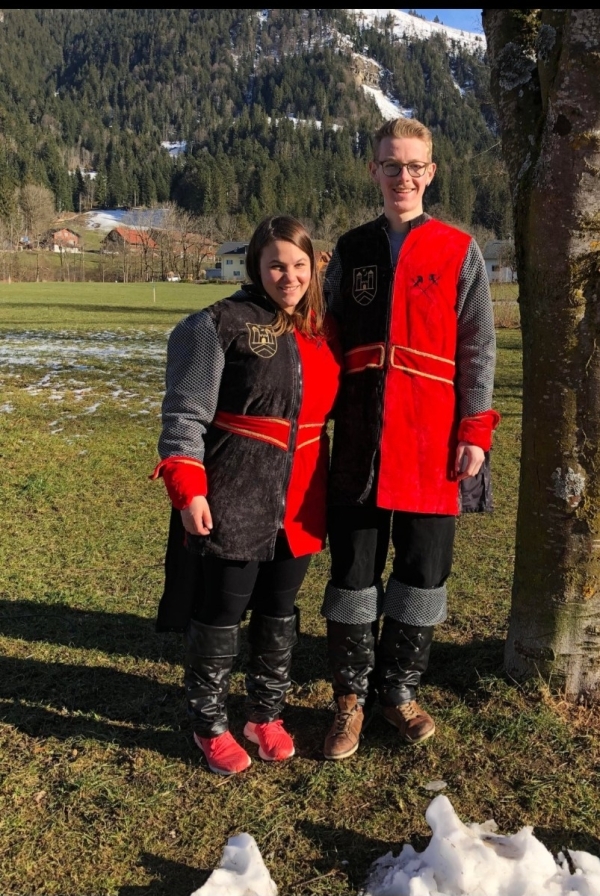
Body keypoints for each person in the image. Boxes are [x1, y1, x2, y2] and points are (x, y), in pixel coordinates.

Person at [321, 117, 500, 760]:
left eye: (414, 166)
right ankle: (349, 698)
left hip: (432, 442)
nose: (403, 177)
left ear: (431, 172)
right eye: (391, 165)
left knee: (423, 572)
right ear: (374, 170)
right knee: (353, 572)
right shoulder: (351, 249)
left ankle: (397, 692)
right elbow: (326, 336)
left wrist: (475, 428)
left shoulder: (459, 249)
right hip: (361, 437)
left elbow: (478, 347)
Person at [152, 216, 341, 776]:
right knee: (222, 609)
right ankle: (209, 723)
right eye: (277, 264)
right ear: (257, 265)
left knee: (280, 609)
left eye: (300, 265)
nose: (290, 276)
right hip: (235, 491)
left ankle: (265, 715)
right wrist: (188, 490)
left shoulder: (320, 331)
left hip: (302, 497)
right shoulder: (217, 324)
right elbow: (183, 417)